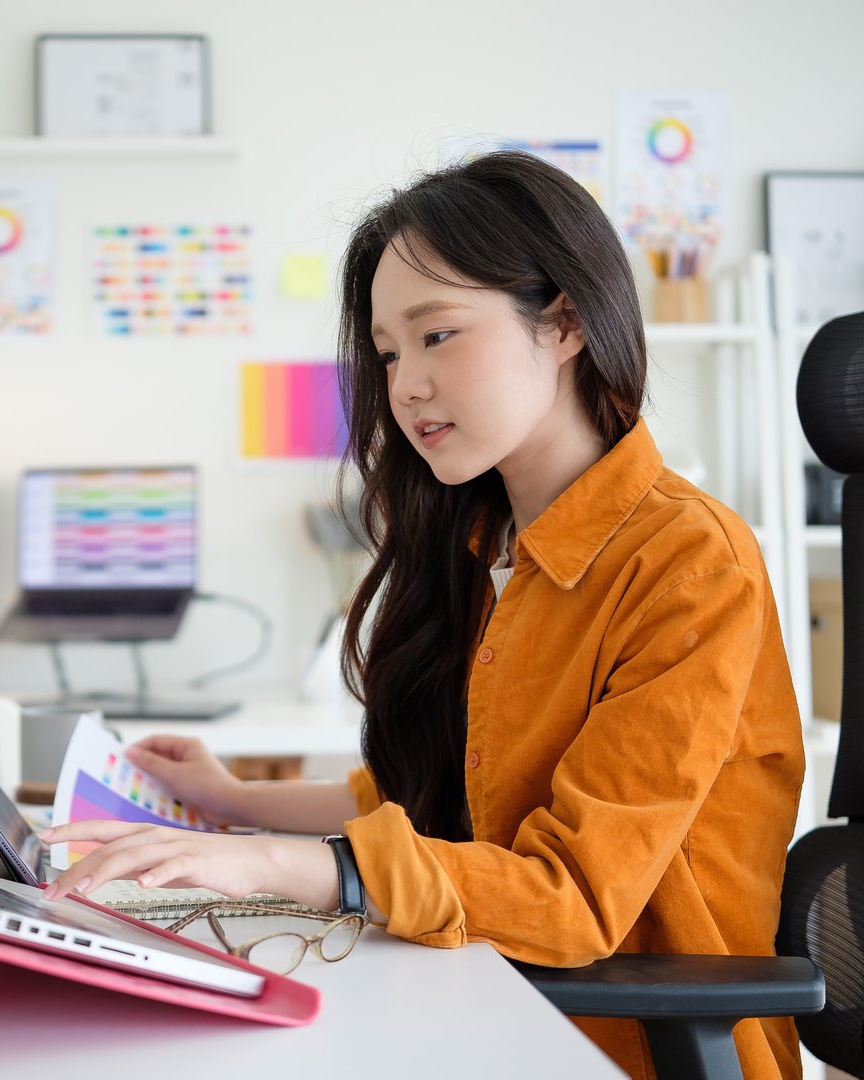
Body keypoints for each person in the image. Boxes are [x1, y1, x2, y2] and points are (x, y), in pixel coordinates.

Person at [40, 151, 805, 1080]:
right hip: (481, 1000)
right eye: (389, 352)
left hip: (616, 1045)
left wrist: (278, 865)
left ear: (562, 322)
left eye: (436, 335)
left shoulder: (687, 563)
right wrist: (228, 804)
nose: (403, 385)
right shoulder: (488, 544)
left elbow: (573, 898)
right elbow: (437, 797)